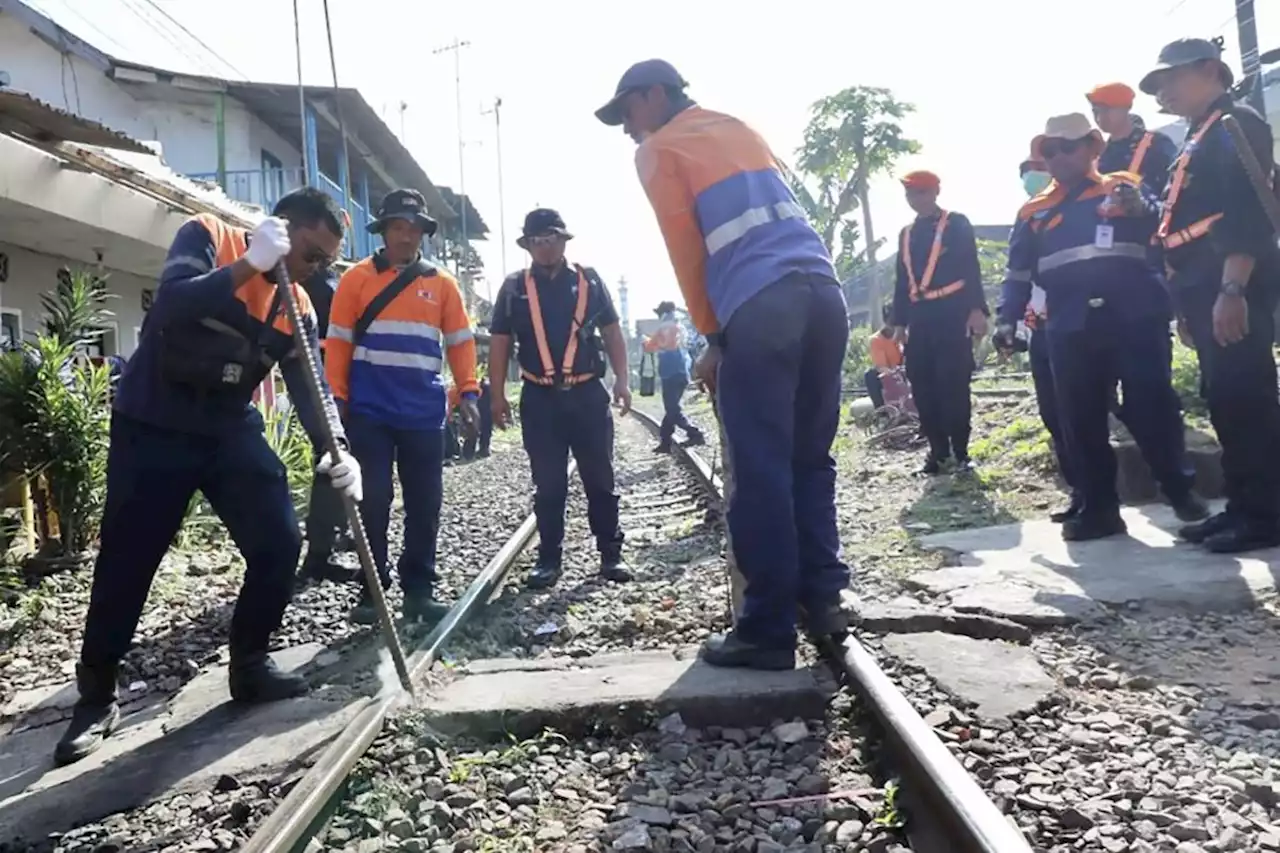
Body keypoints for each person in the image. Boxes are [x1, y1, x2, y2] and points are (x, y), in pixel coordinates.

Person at [54, 188, 361, 765]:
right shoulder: (209, 238)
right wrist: (250, 264)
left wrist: (338, 448)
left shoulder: (297, 304)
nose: (317, 270)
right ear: (283, 230)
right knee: (128, 558)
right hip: (154, 421)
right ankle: (96, 696)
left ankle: (249, 663)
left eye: (325, 262)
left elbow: (311, 386)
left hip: (225, 426)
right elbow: (169, 306)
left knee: (279, 540)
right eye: (312, 255)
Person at [597, 59, 850, 670]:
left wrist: (711, 333)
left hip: (761, 306)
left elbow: (686, 250)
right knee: (809, 458)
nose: (627, 129)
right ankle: (825, 596)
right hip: (823, 294)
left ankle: (764, 630)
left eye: (627, 112)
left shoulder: (660, 148)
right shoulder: (736, 126)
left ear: (654, 97)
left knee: (760, 468)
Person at [994, 114, 1207, 541]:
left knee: (1152, 401)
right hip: (1069, 324)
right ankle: (1099, 509)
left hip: (1135, 315)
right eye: (1049, 151)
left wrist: (1140, 208)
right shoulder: (1034, 212)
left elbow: (1160, 226)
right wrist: (1006, 320)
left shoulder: (1121, 188)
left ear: (1093, 147)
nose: (1058, 158)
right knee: (1080, 417)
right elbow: (1017, 274)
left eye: (1068, 147)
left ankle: (1179, 489)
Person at [1141, 37, 1280, 553]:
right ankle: (1242, 507)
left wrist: (1232, 288)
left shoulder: (1236, 123)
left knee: (1247, 396)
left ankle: (1265, 515)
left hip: (1230, 279)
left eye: (1170, 79)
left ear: (1208, 70)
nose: (1163, 93)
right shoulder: (1198, 136)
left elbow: (1246, 213)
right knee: (1224, 399)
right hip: (1202, 284)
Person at [326, 189, 478, 625]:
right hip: (370, 409)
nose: (406, 237)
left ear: (422, 234)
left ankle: (419, 590)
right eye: (398, 227)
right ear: (384, 230)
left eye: (413, 229)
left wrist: (468, 393)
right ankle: (372, 592)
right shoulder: (355, 279)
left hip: (424, 412)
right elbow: (337, 342)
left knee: (424, 502)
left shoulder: (443, 285)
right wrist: (337, 399)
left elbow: (460, 343)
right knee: (371, 501)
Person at [488, 208, 633, 589]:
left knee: (599, 478)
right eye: (536, 242)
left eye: (550, 239)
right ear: (528, 246)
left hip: (587, 393)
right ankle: (549, 558)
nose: (544, 247)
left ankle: (610, 553)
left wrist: (623, 380)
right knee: (548, 484)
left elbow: (613, 332)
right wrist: (498, 394)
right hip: (539, 398)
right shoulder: (514, 288)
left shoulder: (589, 281)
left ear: (563, 240)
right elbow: (500, 344)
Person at [891, 171, 988, 474]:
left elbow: (971, 267)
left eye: (921, 192)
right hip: (920, 317)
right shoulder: (907, 233)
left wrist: (976, 310)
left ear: (935, 192)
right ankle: (937, 452)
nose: (915, 199)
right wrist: (898, 322)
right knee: (922, 384)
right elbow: (901, 281)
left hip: (952, 312)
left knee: (953, 384)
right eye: (910, 194)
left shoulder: (956, 224)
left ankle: (960, 453)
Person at [1017, 154, 1080, 521]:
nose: (1031, 178)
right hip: (1040, 326)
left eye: (1036, 169)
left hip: (1076, 324)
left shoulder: (1081, 208)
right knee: (1053, 414)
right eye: (1025, 173)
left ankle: (1097, 493)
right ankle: (1079, 492)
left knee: (1079, 412)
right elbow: (1018, 274)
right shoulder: (1029, 216)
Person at [298, 266, 355, 583]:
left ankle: (334, 537)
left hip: (343, 387)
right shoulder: (317, 286)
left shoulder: (334, 282)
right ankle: (319, 552)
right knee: (330, 465)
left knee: (339, 466)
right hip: (333, 389)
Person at [1087, 82, 1178, 193]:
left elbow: (1175, 187)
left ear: (1126, 108)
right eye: (1096, 112)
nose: (1100, 117)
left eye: (1106, 110)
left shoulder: (1156, 143)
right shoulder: (1099, 154)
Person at [643, 300, 705, 452]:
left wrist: (645, 342)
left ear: (663, 313)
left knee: (672, 409)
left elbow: (651, 346)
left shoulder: (665, 327)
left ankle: (694, 433)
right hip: (682, 372)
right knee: (672, 408)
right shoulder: (681, 326)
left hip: (670, 373)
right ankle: (665, 442)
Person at [865, 304, 903, 410]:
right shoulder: (876, 340)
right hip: (890, 374)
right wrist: (895, 374)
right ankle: (882, 411)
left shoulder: (904, 336)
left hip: (906, 372)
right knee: (870, 375)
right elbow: (882, 367)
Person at [461, 375, 493, 459]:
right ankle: (483, 449)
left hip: (474, 400)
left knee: (473, 429)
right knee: (485, 426)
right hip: (481, 403)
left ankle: (469, 452)